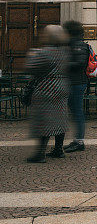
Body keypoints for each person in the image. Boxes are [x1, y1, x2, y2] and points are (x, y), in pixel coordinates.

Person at [23, 25, 70, 163]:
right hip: (62, 87)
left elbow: (30, 67)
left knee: (44, 120)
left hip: (47, 89)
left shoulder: (45, 52)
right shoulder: (65, 52)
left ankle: (40, 154)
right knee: (60, 118)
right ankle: (58, 149)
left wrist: (31, 55)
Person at [62, 20, 90, 153]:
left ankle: (79, 141)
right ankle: (77, 140)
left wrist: (63, 63)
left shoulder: (78, 45)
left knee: (77, 111)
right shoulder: (73, 44)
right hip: (73, 82)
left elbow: (79, 63)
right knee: (74, 111)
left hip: (77, 82)